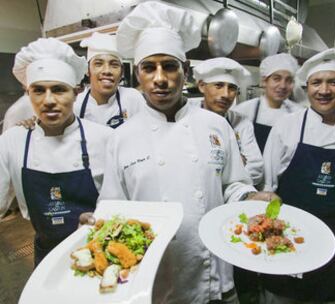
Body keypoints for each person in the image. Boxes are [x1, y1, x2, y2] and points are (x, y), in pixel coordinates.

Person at [95, 2, 277, 303]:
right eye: (149, 68)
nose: (160, 78)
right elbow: (114, 208)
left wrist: (249, 197)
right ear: (137, 75)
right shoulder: (120, 139)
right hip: (150, 279)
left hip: (213, 277)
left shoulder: (216, 126)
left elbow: (233, 185)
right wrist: (99, 223)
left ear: (186, 71)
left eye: (169, 66)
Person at [261, 48, 335, 303]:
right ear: (307, 86)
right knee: (279, 296)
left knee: (320, 297)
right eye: (316, 82)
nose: (324, 90)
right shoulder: (286, 126)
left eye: (333, 82)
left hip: (331, 232)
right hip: (285, 229)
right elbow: (268, 186)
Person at [0, 38, 112, 266]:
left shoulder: (104, 138)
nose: (48, 100)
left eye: (59, 90)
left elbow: (122, 203)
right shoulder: (13, 140)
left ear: (76, 92)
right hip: (47, 256)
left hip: (101, 250)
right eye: (38, 91)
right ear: (27, 93)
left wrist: (101, 219)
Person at [192, 57, 264, 187]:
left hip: (233, 196)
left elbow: (257, 169)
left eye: (232, 88)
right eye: (218, 85)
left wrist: (221, 176)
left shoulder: (241, 122)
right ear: (202, 86)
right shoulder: (187, 116)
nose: (225, 94)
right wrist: (235, 163)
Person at [233, 53, 303, 152]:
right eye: (276, 79)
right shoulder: (244, 111)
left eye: (288, 80)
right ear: (264, 81)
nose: (283, 86)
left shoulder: (299, 114)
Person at [75, 32, 144, 128]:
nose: (107, 71)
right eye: (98, 64)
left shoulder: (133, 99)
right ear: (87, 69)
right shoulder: (75, 105)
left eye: (114, 65)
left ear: (122, 72)